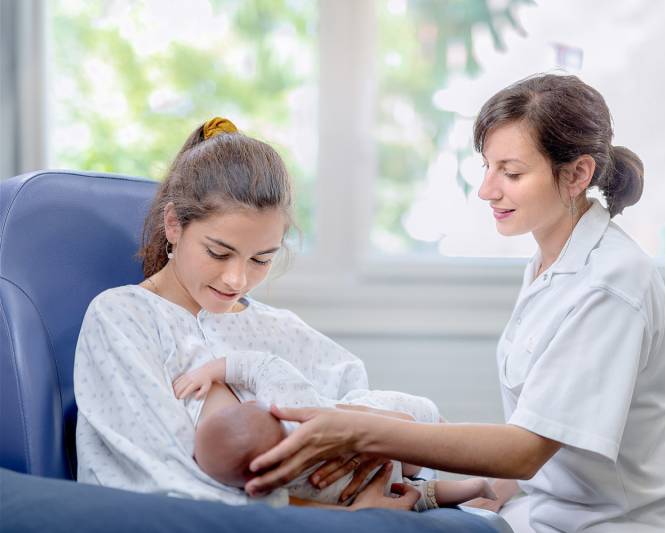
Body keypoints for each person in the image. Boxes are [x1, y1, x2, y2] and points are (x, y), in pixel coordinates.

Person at [241, 74, 665, 532]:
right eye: (487, 167)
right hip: (553, 507)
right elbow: (551, 423)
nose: (487, 189)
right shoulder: (554, 260)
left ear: (577, 175)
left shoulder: (609, 284)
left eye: (510, 172)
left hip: (628, 523)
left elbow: (525, 449)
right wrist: (458, 488)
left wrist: (353, 430)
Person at [73, 117, 426, 510]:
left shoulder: (279, 329)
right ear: (174, 224)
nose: (236, 279)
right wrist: (343, 513)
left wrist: (369, 437)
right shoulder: (123, 318)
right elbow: (161, 479)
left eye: (261, 259)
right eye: (218, 253)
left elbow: (367, 400)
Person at [172, 353, 497, 510]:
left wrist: (356, 511)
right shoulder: (287, 402)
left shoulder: (269, 489)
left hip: (383, 481)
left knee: (423, 493)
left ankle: (474, 486)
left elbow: (292, 506)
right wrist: (212, 369)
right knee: (415, 424)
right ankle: (479, 484)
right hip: (388, 460)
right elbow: (263, 366)